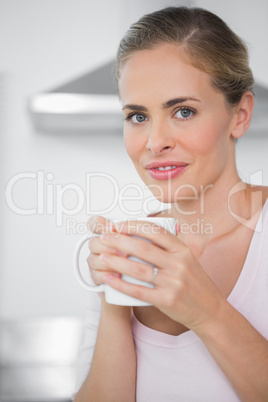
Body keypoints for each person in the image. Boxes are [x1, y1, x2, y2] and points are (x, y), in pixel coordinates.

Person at [73, 6, 268, 401]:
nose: (154, 142)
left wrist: (206, 311)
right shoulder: (131, 251)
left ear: (240, 115)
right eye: (138, 116)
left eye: (183, 111)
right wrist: (115, 296)